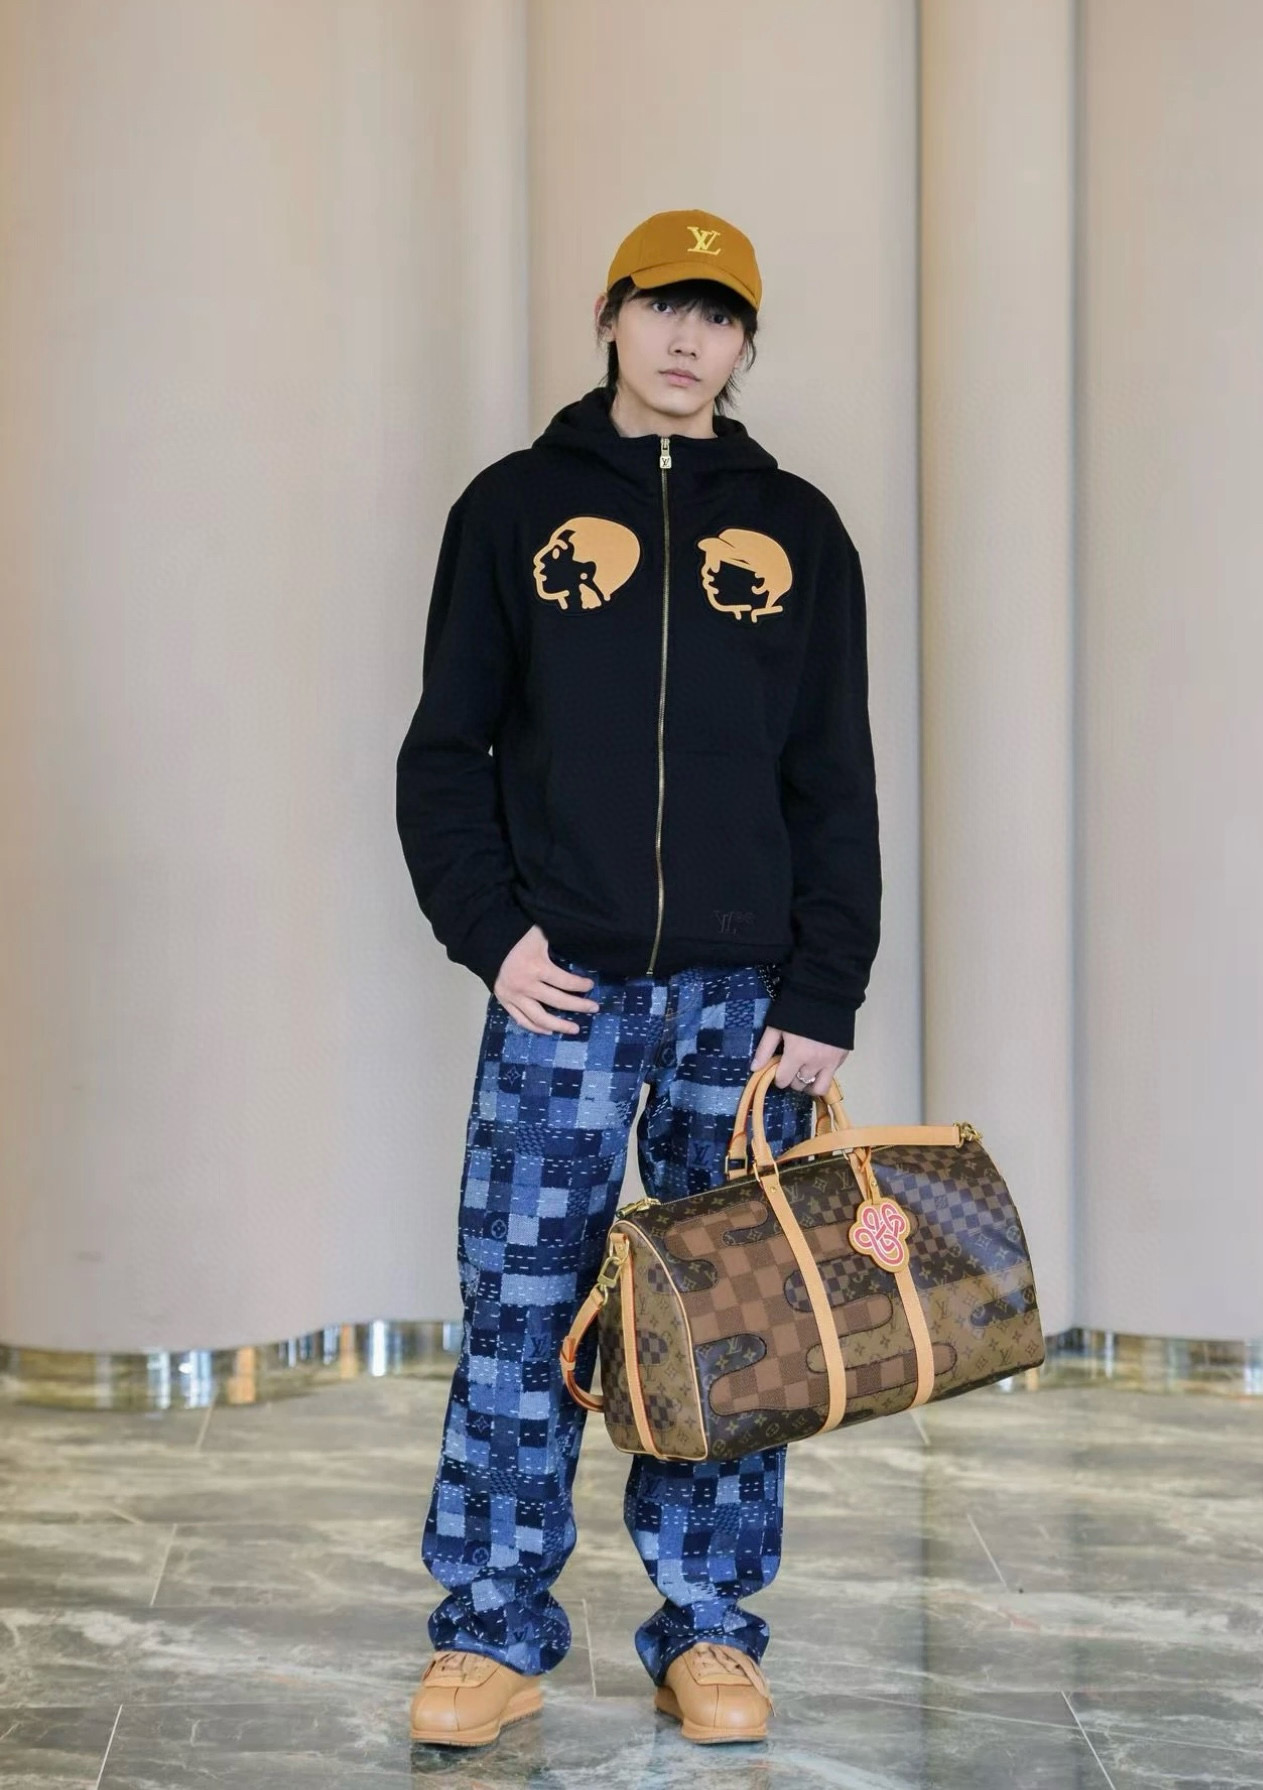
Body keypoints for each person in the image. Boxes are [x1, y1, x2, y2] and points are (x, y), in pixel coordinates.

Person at [394, 207, 881, 1748]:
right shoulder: (511, 510)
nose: (687, 337)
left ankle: (711, 1629)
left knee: (736, 1325)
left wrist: (823, 989)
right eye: (662, 305)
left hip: (744, 1011)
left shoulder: (799, 530)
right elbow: (445, 754)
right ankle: (490, 1631)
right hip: (567, 994)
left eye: (718, 315)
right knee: (519, 1309)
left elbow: (832, 779)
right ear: (610, 314)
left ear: (743, 344)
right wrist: (495, 935)